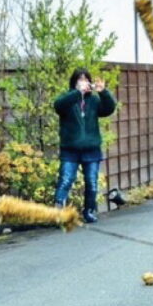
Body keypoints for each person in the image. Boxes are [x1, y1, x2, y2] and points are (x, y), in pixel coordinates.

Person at [53, 68, 117, 223]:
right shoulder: (68, 99)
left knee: (92, 182)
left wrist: (103, 92)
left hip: (91, 149)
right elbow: (58, 106)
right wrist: (77, 93)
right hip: (70, 149)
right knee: (66, 179)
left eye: (85, 79)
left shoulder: (94, 100)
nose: (83, 82)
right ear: (74, 82)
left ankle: (88, 211)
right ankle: (58, 213)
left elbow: (109, 108)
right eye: (79, 79)